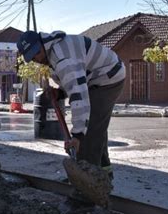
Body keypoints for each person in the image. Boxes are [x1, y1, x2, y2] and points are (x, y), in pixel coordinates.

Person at [17, 30, 125, 179]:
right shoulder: (53, 50)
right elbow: (74, 80)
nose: (36, 58)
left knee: (89, 130)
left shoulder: (63, 58)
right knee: (96, 127)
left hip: (109, 77)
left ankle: (87, 182)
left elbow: (78, 95)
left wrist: (78, 135)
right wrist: (61, 92)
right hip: (95, 78)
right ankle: (103, 173)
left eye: (37, 52)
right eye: (32, 56)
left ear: (42, 43)